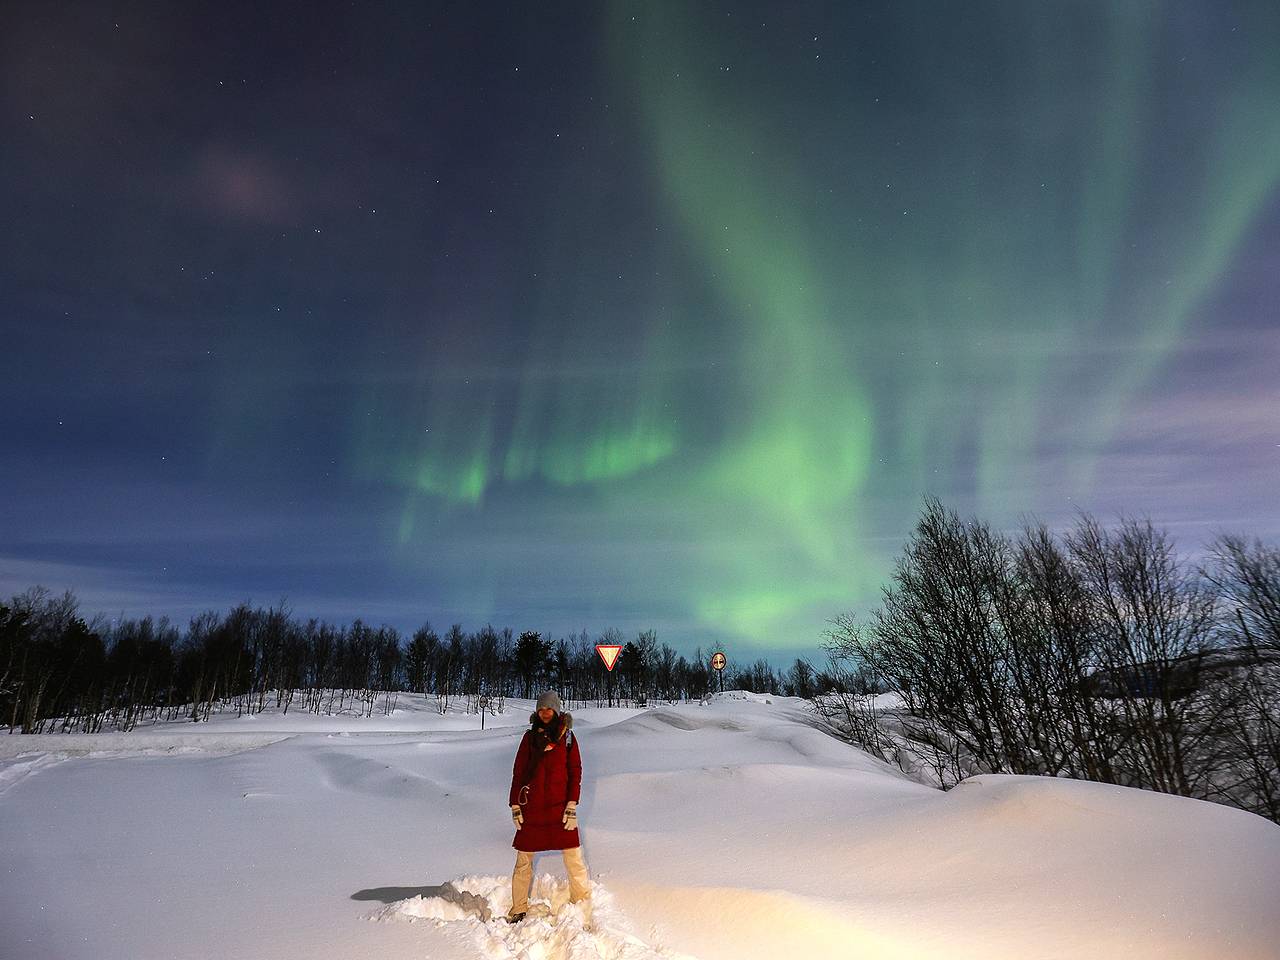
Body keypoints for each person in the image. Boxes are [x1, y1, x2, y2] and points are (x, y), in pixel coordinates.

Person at [506, 690, 590, 922]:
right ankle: (519, 907)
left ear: (556, 710)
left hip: (560, 808)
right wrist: (515, 803)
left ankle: (582, 903)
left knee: (574, 857)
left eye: (549, 708)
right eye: (541, 709)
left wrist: (572, 803)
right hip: (532, 808)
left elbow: (575, 772)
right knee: (523, 860)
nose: (545, 713)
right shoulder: (529, 738)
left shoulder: (568, 738)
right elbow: (519, 772)